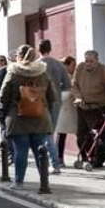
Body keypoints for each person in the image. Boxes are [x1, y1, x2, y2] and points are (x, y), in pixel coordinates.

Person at [0, 44, 59, 191]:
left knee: (21, 150)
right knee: (41, 151)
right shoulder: (43, 73)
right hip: (40, 118)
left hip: (17, 118)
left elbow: (3, 95)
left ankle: (19, 182)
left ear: (18, 56)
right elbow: (52, 97)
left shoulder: (13, 72)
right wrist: (45, 108)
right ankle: (44, 182)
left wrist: (4, 112)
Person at [72, 50, 105, 163]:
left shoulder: (103, 70)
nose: (88, 64)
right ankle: (86, 156)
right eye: (86, 61)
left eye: (91, 61)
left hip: (98, 107)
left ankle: (98, 159)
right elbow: (74, 84)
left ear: (97, 61)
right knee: (80, 133)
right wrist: (78, 97)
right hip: (82, 106)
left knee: (98, 134)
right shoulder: (80, 68)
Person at [38, 40, 70, 174]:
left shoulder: (36, 65)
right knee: (49, 133)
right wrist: (57, 89)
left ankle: (54, 163)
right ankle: (53, 163)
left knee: (45, 135)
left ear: (38, 49)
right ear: (50, 49)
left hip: (40, 102)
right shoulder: (59, 65)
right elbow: (67, 85)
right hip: (56, 102)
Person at [55, 55, 78, 165]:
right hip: (64, 106)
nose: (74, 67)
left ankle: (83, 155)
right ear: (67, 65)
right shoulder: (61, 76)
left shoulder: (72, 76)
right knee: (62, 132)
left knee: (77, 131)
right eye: (73, 65)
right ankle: (59, 158)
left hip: (70, 107)